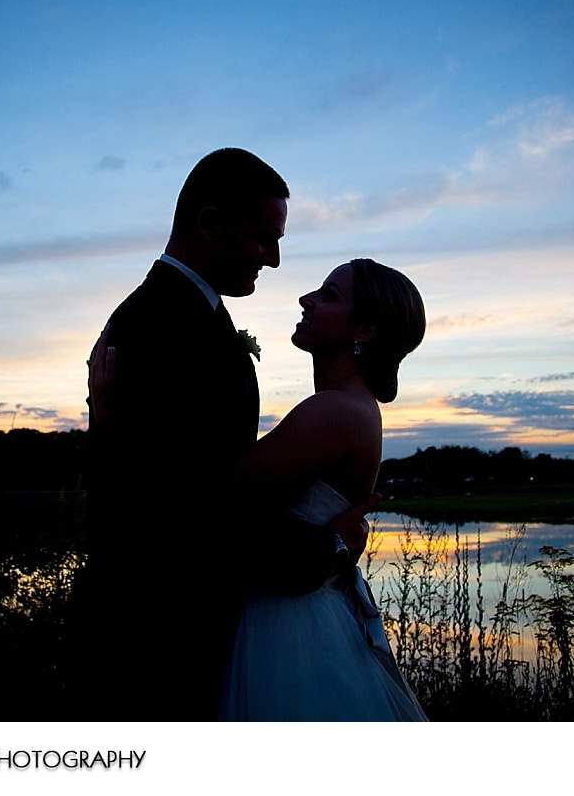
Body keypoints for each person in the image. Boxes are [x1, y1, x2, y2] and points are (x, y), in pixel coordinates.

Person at [72, 148, 370, 721]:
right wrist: (326, 548)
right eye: (265, 238)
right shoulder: (164, 325)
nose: (276, 260)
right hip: (155, 644)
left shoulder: (191, 314)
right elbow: (187, 508)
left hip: (167, 631)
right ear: (209, 224)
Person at [218, 258, 428, 720]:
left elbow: (211, 491)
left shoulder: (335, 412)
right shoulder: (350, 408)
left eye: (329, 295)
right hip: (300, 607)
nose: (306, 299)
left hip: (289, 629)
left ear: (365, 329)